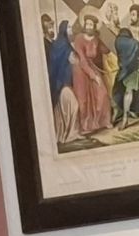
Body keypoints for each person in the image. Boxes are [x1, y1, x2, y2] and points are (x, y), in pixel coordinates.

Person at [70, 6, 113, 135]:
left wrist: (109, 31)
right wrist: (94, 76)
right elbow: (83, 60)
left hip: (92, 67)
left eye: (91, 25)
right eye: (87, 24)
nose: (89, 26)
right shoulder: (78, 38)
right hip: (80, 70)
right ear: (84, 25)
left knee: (102, 93)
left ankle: (104, 121)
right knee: (83, 99)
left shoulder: (96, 39)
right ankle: (85, 126)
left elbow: (105, 50)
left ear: (94, 27)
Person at [43, 13, 79, 143]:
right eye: (68, 28)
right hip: (61, 83)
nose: (71, 30)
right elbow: (61, 63)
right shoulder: (61, 45)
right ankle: (70, 135)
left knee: (67, 109)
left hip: (66, 82)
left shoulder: (63, 44)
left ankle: (67, 134)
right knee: (73, 106)